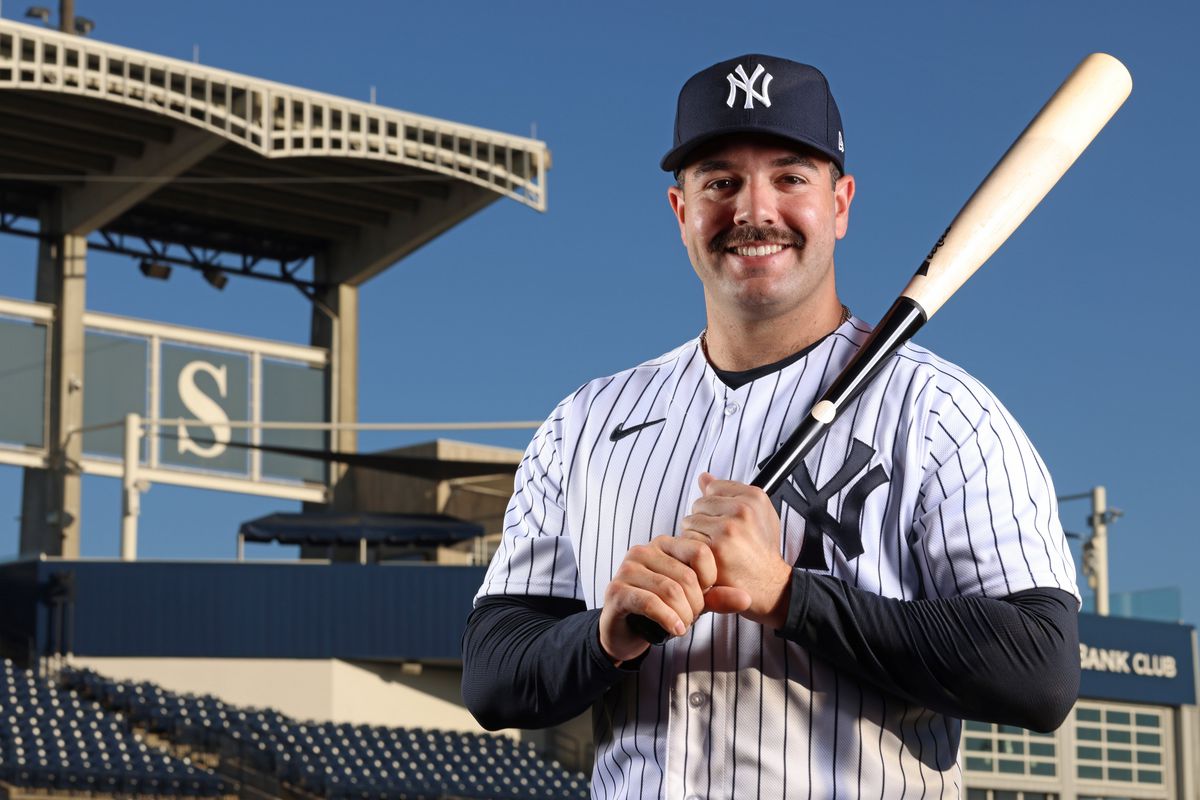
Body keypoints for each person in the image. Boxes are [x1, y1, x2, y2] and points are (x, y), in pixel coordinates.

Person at [462, 54, 1080, 799]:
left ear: (841, 203)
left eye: (790, 177)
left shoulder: (943, 415)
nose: (754, 210)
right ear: (679, 212)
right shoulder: (585, 424)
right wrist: (604, 635)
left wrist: (791, 596)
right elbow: (494, 674)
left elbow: (1041, 670)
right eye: (720, 182)